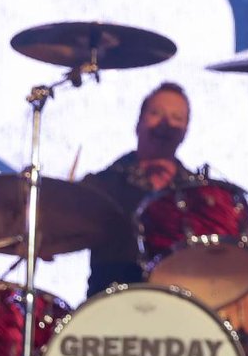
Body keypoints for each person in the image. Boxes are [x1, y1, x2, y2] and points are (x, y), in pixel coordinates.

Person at [79, 81, 198, 297]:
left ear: (184, 132)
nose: (165, 123)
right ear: (138, 123)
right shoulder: (102, 185)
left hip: (181, 310)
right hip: (107, 311)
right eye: (156, 113)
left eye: (176, 118)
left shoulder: (197, 194)